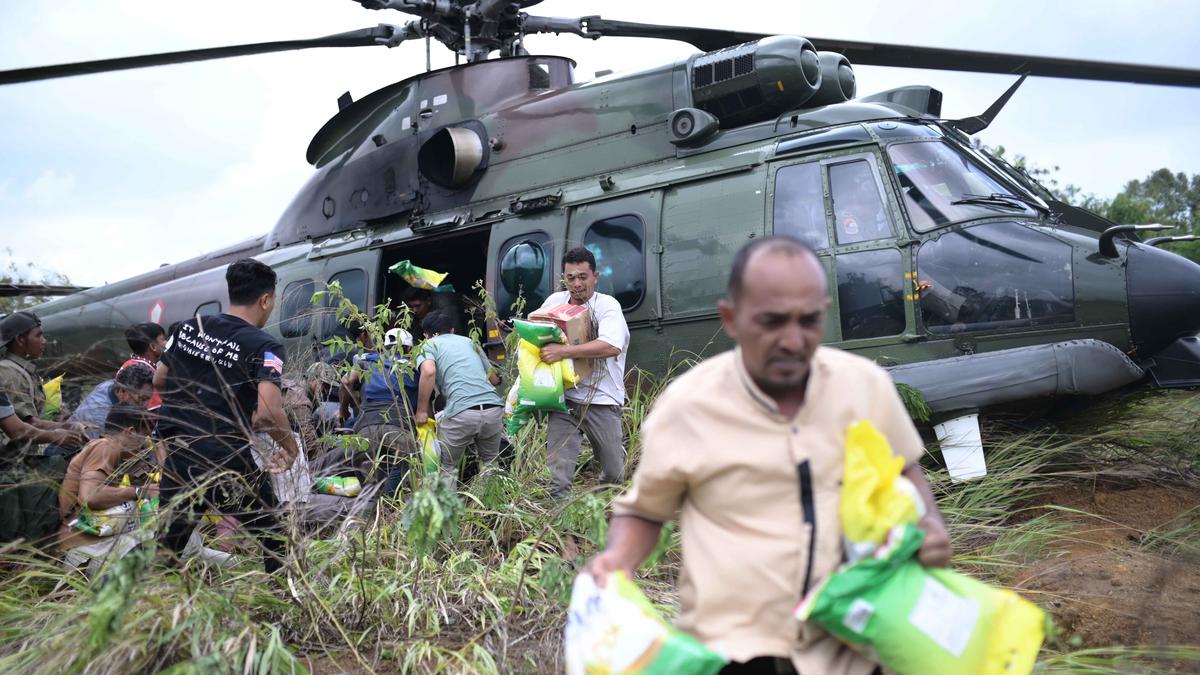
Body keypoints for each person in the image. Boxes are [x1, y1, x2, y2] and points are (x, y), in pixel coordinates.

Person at [586, 236, 951, 675]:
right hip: (735, 652)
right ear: (731, 319)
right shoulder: (688, 408)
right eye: (772, 322)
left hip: (853, 645)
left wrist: (929, 523)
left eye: (809, 320)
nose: (793, 341)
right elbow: (645, 511)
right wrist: (615, 562)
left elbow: (905, 471)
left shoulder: (865, 387)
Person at [154, 258, 299, 573]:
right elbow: (267, 414)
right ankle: (284, 601)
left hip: (179, 456)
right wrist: (290, 448)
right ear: (265, 300)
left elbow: (159, 380)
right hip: (227, 458)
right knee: (271, 538)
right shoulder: (267, 347)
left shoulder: (188, 327)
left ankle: (155, 611)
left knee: (167, 548)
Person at [536, 246, 630, 501]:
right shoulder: (555, 302)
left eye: (582, 277)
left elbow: (612, 346)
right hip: (564, 399)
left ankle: (595, 507)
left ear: (595, 277)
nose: (576, 284)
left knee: (614, 472)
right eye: (570, 278)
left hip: (602, 399)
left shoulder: (607, 306)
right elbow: (534, 331)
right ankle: (564, 534)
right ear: (564, 278)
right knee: (559, 475)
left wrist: (563, 352)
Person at [0, 311, 91, 542]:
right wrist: (58, 435)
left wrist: (67, 426)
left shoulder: (21, 371)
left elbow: (29, 420)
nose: (45, 341)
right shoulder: (10, 372)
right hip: (11, 464)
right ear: (20, 339)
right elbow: (21, 426)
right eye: (39, 335)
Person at [57, 404, 156, 555]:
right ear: (130, 432)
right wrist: (139, 492)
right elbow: (90, 497)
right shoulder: (105, 447)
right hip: (79, 549)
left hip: (85, 547)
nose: (143, 447)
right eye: (144, 438)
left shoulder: (113, 454)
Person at [414, 310, 503, 475]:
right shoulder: (469, 342)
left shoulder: (428, 345)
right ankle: (493, 500)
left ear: (426, 334)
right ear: (452, 330)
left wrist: (421, 410)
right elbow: (494, 379)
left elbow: (428, 371)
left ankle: (449, 501)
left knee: (447, 468)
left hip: (462, 412)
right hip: (493, 409)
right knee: (490, 463)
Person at [331, 327, 419, 487]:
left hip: (366, 428)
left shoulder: (367, 361)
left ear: (384, 346)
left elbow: (346, 382)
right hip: (399, 428)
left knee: (370, 489)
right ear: (409, 348)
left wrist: (343, 412)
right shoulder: (414, 368)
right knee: (408, 486)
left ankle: (374, 507)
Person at [44, 364, 154, 456]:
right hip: (64, 458)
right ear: (122, 391)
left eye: (147, 399)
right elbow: (105, 454)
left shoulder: (111, 385)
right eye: (141, 399)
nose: (144, 406)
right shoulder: (100, 416)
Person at [119, 321, 166, 409]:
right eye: (163, 339)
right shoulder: (143, 372)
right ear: (153, 347)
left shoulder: (130, 364)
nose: (166, 343)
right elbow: (156, 409)